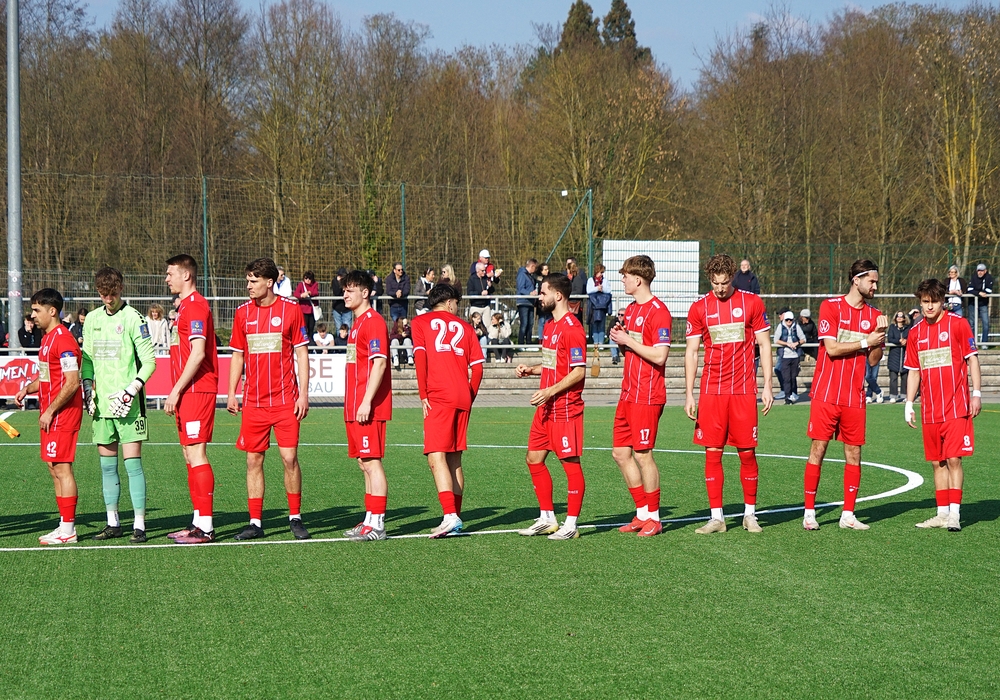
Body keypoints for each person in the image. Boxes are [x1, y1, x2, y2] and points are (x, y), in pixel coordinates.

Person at [684, 254, 774, 534]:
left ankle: (750, 515)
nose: (720, 288)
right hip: (712, 391)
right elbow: (691, 352)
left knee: (747, 452)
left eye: (724, 282)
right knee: (713, 453)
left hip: (743, 390)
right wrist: (689, 394)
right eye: (715, 283)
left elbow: (764, 344)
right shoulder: (699, 307)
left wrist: (768, 385)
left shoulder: (752, 303)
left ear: (732, 277)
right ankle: (717, 518)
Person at [228, 257, 311, 541]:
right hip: (253, 402)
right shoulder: (242, 313)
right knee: (253, 461)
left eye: (254, 281)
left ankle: (295, 517)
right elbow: (238, 355)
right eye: (248, 280)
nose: (249, 286)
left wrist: (303, 394)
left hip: (286, 400)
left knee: (289, 459)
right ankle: (255, 522)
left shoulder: (291, 310)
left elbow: (301, 353)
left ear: (270, 282)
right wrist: (231, 392)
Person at [802, 259, 888, 531]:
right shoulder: (830, 307)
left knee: (854, 453)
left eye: (876, 282)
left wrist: (879, 336)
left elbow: (873, 359)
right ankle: (809, 513)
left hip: (854, 396)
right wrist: (865, 341)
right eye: (871, 281)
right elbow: (831, 349)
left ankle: (848, 515)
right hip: (826, 393)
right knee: (818, 449)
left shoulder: (875, 315)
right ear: (856, 280)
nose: (875, 286)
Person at [81, 266, 157, 544]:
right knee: (107, 467)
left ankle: (139, 525)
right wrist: (87, 391)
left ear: (121, 289)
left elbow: (149, 362)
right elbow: (87, 360)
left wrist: (131, 390)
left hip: (129, 406)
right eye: (103, 294)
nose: (108, 299)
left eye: (112, 293)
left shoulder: (134, 318)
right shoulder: (92, 319)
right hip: (102, 407)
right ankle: (113, 522)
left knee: (133, 465)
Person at [904, 278, 982, 532]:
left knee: (953, 459)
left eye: (934, 301)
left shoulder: (958, 324)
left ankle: (955, 514)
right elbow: (914, 371)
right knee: (937, 462)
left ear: (942, 301)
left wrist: (976, 393)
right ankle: (942, 513)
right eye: (925, 301)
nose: (929, 306)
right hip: (929, 410)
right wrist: (908, 403)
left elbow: (972, 359)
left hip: (956, 407)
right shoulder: (915, 333)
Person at [515, 273, 588, 540]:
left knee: (570, 464)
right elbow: (552, 365)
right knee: (533, 459)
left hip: (565, 408)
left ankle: (571, 524)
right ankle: (547, 518)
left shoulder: (572, 329)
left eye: (543, 292)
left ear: (558, 295)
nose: (539, 297)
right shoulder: (549, 326)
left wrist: (549, 391)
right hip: (546, 408)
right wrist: (531, 369)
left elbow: (579, 371)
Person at [411, 283, 485, 538]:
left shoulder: (420, 323)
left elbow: (420, 358)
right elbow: (478, 368)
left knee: (435, 456)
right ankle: (456, 517)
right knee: (454, 459)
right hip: (462, 395)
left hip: (439, 395)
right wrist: (469, 395)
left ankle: (450, 516)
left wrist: (423, 394)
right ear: (450, 302)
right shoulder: (466, 328)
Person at [609, 255, 672, 537]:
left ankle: (654, 518)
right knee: (620, 453)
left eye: (625, 276)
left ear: (637, 279)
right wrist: (622, 339)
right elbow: (634, 350)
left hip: (647, 394)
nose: (622, 280)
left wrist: (628, 340)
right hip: (628, 393)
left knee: (643, 454)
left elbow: (659, 356)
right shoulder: (632, 310)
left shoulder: (659, 312)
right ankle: (642, 513)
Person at [14, 288, 82, 545]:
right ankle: (63, 524)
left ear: (52, 311)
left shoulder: (64, 340)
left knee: (62, 468)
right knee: (53, 468)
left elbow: (72, 382)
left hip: (62, 413)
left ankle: (69, 530)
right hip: (50, 413)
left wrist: (51, 410)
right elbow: (45, 377)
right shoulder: (47, 339)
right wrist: (27, 389)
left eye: (36, 310)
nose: (32, 315)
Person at [164, 254, 220, 545]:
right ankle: (197, 521)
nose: (166, 279)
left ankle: (206, 527)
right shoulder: (184, 307)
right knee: (189, 454)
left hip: (197, 389)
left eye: (170, 273)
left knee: (197, 453)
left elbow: (198, 353)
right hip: (187, 391)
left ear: (186, 275)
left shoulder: (196, 305)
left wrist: (175, 390)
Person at [342, 270, 393, 542]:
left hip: (367, 407)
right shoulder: (357, 324)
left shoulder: (373, 322)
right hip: (354, 407)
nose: (345, 295)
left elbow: (380, 363)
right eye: (344, 290)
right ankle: (369, 520)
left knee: (372, 462)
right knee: (364, 463)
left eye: (350, 290)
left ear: (365, 293)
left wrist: (366, 401)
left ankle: (378, 524)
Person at [774, 311, 806, 403]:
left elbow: (803, 339)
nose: (789, 321)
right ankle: (787, 397)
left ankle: (794, 394)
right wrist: (787, 344)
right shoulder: (780, 326)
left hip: (795, 356)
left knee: (793, 377)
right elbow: (776, 340)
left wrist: (796, 343)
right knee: (786, 378)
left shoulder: (796, 327)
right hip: (785, 356)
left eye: (790, 320)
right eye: (787, 320)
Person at [886, 311, 910, 403]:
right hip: (894, 355)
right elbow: (890, 338)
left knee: (905, 377)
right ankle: (893, 395)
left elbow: (910, 337)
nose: (899, 317)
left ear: (904, 318)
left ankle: (904, 395)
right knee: (893, 377)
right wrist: (899, 341)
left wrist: (906, 341)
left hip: (904, 355)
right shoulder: (892, 327)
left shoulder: (908, 328)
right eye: (898, 316)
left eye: (901, 316)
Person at [587, 264, 612, 348]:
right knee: (594, 324)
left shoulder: (605, 280)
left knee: (602, 324)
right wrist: (597, 288)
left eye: (602, 272)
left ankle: (601, 343)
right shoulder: (590, 280)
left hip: (602, 305)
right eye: (601, 272)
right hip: (593, 305)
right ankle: (595, 343)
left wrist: (602, 289)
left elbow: (608, 290)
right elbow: (588, 290)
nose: (601, 274)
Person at [967, 263, 993, 345]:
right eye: (978, 271)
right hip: (972, 303)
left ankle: (984, 343)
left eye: (982, 271)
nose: (980, 272)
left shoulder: (989, 278)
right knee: (972, 324)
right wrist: (979, 293)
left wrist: (977, 292)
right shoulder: (973, 277)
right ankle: (972, 343)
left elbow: (989, 290)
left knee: (986, 323)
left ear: (985, 271)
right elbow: (969, 289)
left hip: (983, 304)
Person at [516, 258, 539, 344]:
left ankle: (529, 342)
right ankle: (521, 343)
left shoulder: (530, 276)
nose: (535, 270)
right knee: (524, 323)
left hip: (530, 302)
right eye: (535, 268)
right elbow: (521, 288)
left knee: (530, 323)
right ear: (532, 266)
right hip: (523, 302)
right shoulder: (522, 274)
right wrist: (530, 293)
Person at [294, 271, 319, 340]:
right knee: (304, 327)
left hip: (312, 310)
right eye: (306, 278)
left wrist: (309, 293)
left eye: (309, 278)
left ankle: (310, 341)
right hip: (303, 310)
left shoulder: (315, 284)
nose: (307, 280)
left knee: (311, 327)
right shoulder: (301, 284)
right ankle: (303, 340)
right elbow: (296, 293)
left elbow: (316, 292)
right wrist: (301, 295)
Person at [566, 258, 586, 324]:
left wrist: (567, 293)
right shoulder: (567, 280)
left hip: (575, 305)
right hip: (568, 304)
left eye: (567, 269)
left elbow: (578, 291)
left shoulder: (577, 279)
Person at [535, 263, 552, 338]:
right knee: (541, 321)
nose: (547, 271)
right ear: (541, 271)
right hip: (541, 304)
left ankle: (548, 337)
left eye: (547, 269)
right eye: (545, 269)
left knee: (549, 321)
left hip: (549, 302)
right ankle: (541, 339)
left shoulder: (550, 280)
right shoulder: (538, 280)